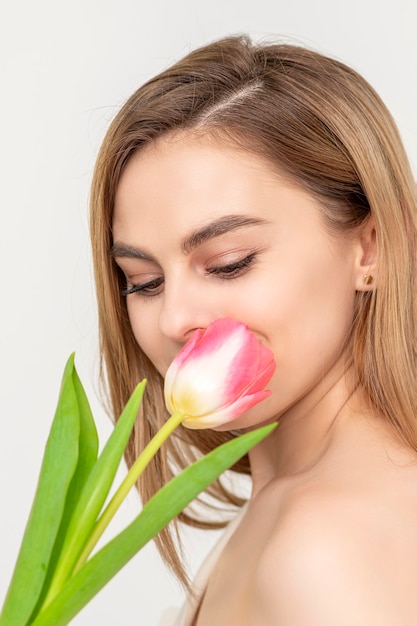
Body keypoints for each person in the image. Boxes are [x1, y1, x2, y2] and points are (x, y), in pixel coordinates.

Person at [89, 34, 417, 625]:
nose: (173, 318)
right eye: (142, 280)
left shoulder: (326, 549)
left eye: (228, 263)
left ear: (371, 248)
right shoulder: (296, 504)